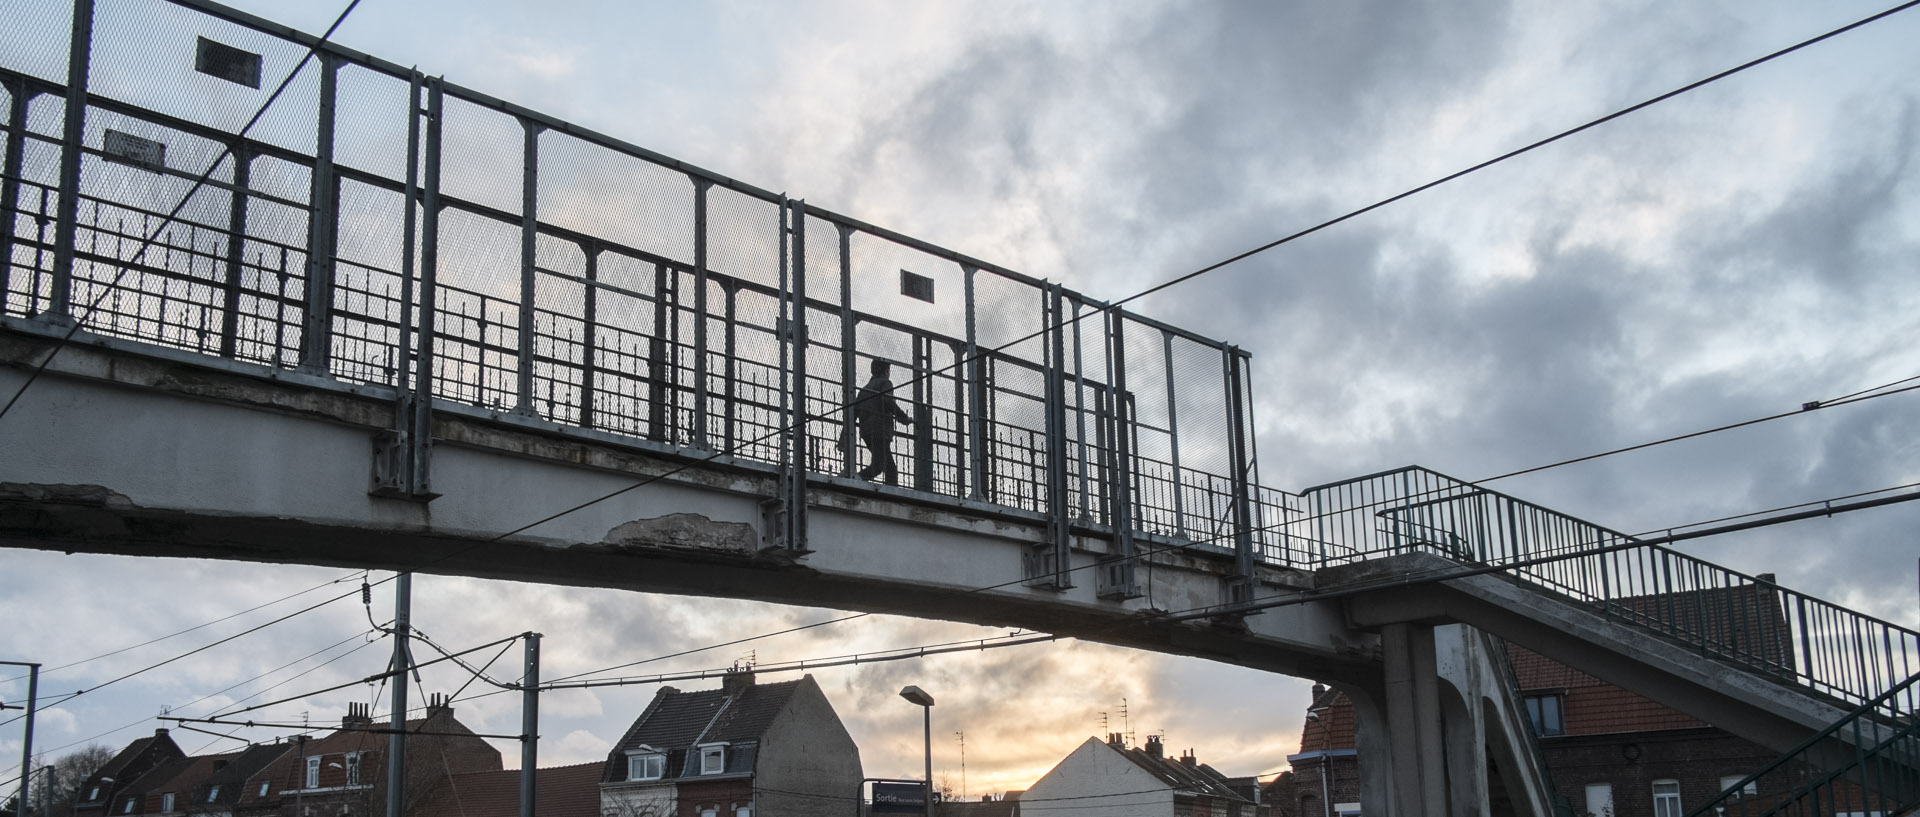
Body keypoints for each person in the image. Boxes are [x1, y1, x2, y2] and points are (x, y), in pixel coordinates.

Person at [848, 358, 912, 484]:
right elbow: (888, 401)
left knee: (886, 467)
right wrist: (904, 418)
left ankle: (858, 479)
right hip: (880, 430)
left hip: (866, 432)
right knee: (882, 467)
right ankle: (856, 479)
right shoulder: (885, 383)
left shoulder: (864, 390)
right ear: (886, 371)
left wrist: (843, 439)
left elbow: (853, 413)